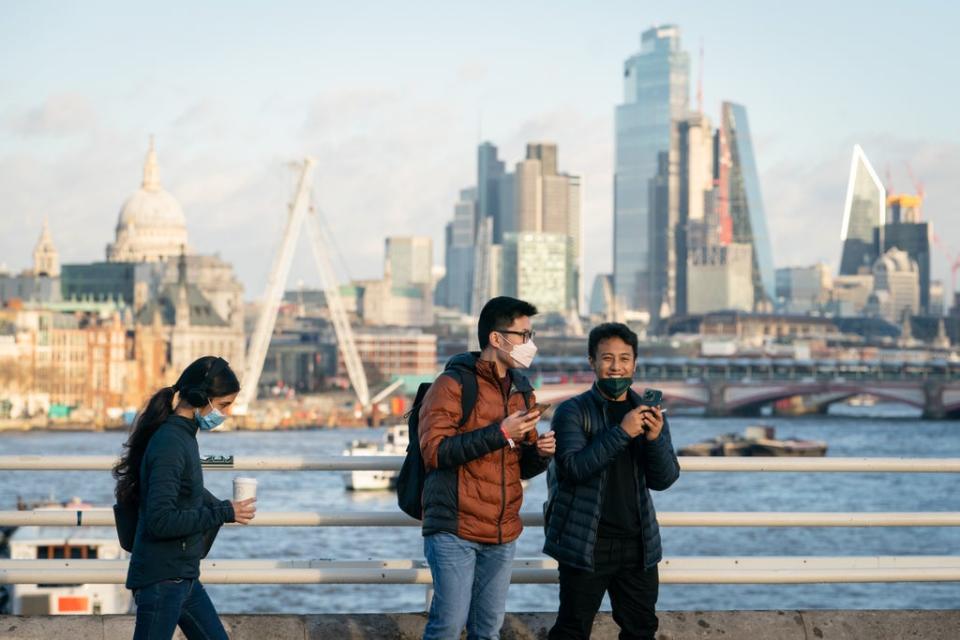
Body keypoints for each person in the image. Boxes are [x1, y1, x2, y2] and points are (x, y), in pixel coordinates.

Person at [418, 296, 556, 640]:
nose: (530, 344)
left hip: (502, 531)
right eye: (524, 335)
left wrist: (540, 452)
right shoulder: (452, 385)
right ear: (497, 338)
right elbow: (434, 451)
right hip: (455, 527)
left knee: (488, 631)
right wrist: (501, 432)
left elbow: (520, 466)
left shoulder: (522, 391)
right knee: (447, 627)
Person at [543, 323, 680, 640]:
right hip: (587, 541)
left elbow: (664, 479)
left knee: (641, 629)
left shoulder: (647, 411)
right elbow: (574, 468)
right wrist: (622, 432)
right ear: (592, 361)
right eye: (607, 358)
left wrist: (655, 439)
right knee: (572, 630)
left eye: (624, 358)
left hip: (638, 542)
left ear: (634, 362)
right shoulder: (572, 412)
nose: (616, 366)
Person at [113, 356, 257, 640]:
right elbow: (160, 520)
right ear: (203, 397)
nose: (227, 413)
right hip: (162, 579)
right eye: (225, 404)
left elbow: (184, 490)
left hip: (183, 577)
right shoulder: (170, 442)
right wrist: (223, 513)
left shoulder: (182, 435)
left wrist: (221, 505)